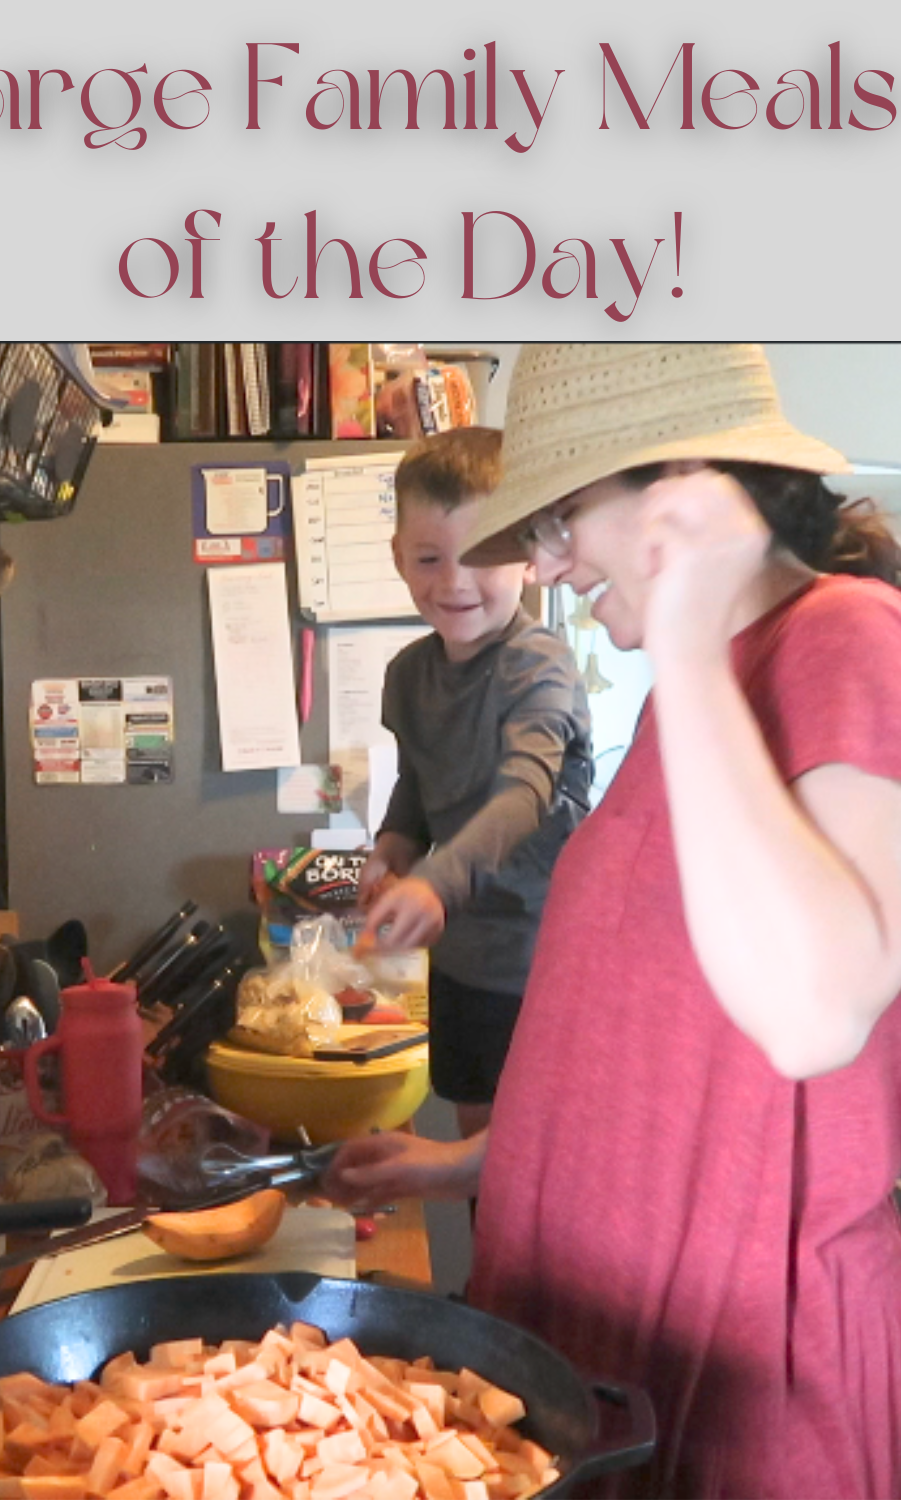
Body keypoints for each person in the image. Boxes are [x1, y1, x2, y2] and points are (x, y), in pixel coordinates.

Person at [325, 344, 901, 1500]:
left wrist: (684, 635)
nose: (542, 558)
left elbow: (812, 1014)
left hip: (738, 1376)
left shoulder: (847, 636)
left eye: (562, 514)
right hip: (603, 1348)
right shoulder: (703, 695)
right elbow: (661, 1052)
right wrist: (468, 1163)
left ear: (678, 489)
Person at [357, 425, 591, 1138]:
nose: (453, 582)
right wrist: (396, 847)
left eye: (480, 556)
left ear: (525, 557)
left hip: (545, 966)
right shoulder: (408, 673)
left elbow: (525, 793)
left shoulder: (539, 667)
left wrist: (437, 882)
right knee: (477, 1160)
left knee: (534, 1163)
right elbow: (418, 785)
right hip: (460, 965)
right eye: (429, 557)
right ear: (399, 558)